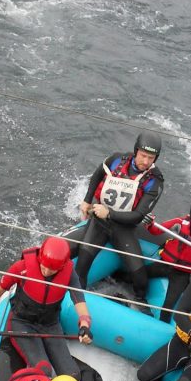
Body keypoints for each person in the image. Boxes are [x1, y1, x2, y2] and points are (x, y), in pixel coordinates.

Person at [0, 236, 92, 380]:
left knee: (73, 375)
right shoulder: (22, 267)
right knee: (44, 370)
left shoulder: (69, 273)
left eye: (52, 270)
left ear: (62, 267)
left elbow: (79, 300)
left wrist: (85, 325)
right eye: (44, 266)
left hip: (50, 324)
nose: (46, 271)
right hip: (22, 322)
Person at [75, 132, 165, 308]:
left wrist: (109, 213)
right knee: (82, 264)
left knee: (140, 277)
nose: (146, 161)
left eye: (151, 158)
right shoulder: (116, 159)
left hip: (124, 226)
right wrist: (86, 200)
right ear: (136, 151)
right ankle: (77, 302)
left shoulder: (155, 181)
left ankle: (140, 305)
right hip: (99, 222)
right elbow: (97, 175)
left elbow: (138, 216)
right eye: (143, 155)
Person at [144, 196, 191, 323]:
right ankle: (120, 284)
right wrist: (150, 223)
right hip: (165, 264)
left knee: (168, 306)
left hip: (182, 274)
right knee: (140, 274)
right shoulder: (179, 223)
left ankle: (162, 326)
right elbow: (156, 230)